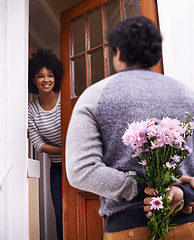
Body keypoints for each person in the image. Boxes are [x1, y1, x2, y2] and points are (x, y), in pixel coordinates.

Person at [65, 16, 194, 239]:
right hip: (187, 226)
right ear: (155, 53)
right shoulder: (186, 94)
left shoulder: (95, 96)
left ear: (118, 52)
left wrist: (140, 188)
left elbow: (80, 171)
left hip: (128, 230)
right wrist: (184, 194)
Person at [28, 48, 63, 240]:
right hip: (57, 168)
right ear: (34, 80)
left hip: (78, 164)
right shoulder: (31, 109)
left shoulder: (65, 99)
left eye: (50, 75)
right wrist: (64, 151)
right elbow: (37, 144)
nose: (46, 79)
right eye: (40, 76)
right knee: (60, 214)